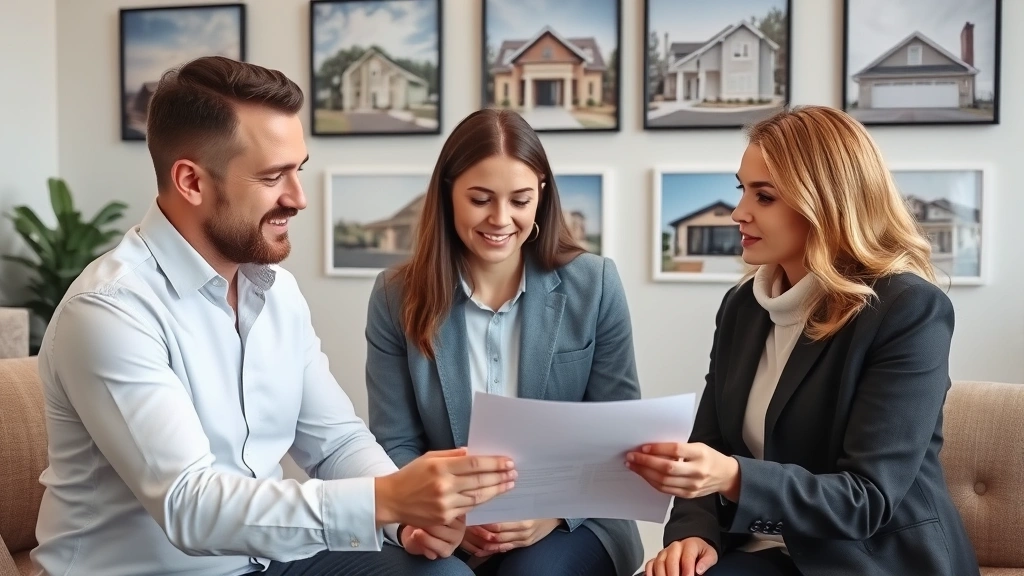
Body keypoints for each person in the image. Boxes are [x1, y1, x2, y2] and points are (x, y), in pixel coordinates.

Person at [31, 56, 516, 576]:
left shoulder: (277, 292)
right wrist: (386, 499)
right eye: (273, 176)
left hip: (266, 561)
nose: (299, 198)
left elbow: (337, 442)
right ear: (192, 181)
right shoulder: (110, 311)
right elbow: (190, 506)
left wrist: (406, 520)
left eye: (298, 170)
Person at [627, 105, 980, 576]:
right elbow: (708, 443)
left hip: (865, 560)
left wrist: (733, 477)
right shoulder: (743, 307)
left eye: (764, 196)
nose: (738, 212)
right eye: (742, 190)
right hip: (758, 549)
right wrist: (694, 532)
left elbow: (867, 499)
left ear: (827, 204)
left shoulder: (907, 310)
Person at [364, 108, 645, 576]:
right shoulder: (395, 296)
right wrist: (448, 511)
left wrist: (550, 510)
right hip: (448, 521)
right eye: (480, 199)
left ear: (541, 194)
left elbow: (618, 435)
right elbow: (395, 441)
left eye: (519, 200)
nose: (501, 219)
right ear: (448, 193)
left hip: (573, 519)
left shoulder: (594, 283)